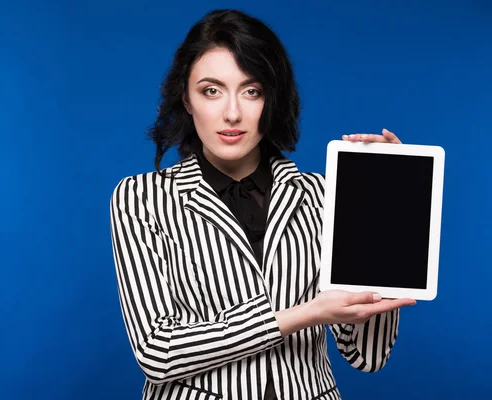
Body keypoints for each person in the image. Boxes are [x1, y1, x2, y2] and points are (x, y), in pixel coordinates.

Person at [109, 9, 416, 400]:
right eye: (211, 90)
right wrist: (302, 315)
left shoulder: (323, 196)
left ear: (271, 98)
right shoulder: (141, 198)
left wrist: (388, 205)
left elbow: (366, 357)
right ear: (186, 98)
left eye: (251, 90)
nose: (233, 112)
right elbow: (159, 353)